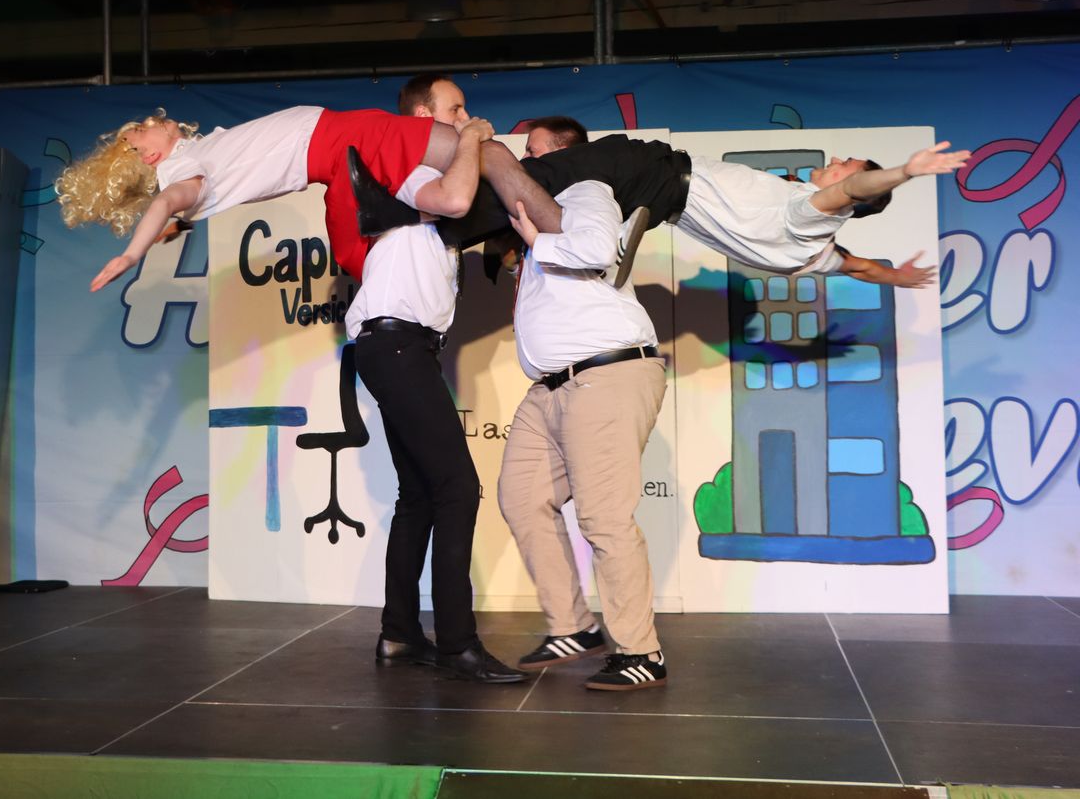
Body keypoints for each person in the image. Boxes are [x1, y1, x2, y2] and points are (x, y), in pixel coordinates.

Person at [347, 82, 524, 684]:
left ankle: (399, 636)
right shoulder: (411, 169)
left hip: (401, 348)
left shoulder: (428, 198)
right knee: (457, 489)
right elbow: (457, 196)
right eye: (455, 110)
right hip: (395, 345)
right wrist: (472, 136)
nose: (467, 117)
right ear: (423, 118)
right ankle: (457, 644)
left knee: (421, 495)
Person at [58, 91, 559, 290]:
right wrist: (133, 252)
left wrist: (171, 227)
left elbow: (179, 209)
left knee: (482, 165)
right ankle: (555, 233)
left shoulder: (194, 154)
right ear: (149, 157)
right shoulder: (178, 171)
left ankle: (529, 234)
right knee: (484, 157)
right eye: (136, 137)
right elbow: (170, 199)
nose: (143, 128)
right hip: (342, 141)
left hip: (342, 144)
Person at [358, 126, 966, 287]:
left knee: (540, 173)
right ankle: (437, 231)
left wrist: (905, 172)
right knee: (537, 190)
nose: (838, 162)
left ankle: (405, 212)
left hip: (656, 176)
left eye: (849, 163)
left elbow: (850, 193)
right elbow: (859, 266)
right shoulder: (814, 253)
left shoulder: (809, 214)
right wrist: (898, 277)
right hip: (658, 199)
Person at [497, 186, 671, 690]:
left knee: (604, 518)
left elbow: (595, 250)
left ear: (560, 151)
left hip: (605, 372)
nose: (527, 158)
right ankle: (573, 627)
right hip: (550, 387)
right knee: (522, 498)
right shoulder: (541, 218)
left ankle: (642, 652)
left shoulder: (585, 191)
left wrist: (536, 240)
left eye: (535, 150)